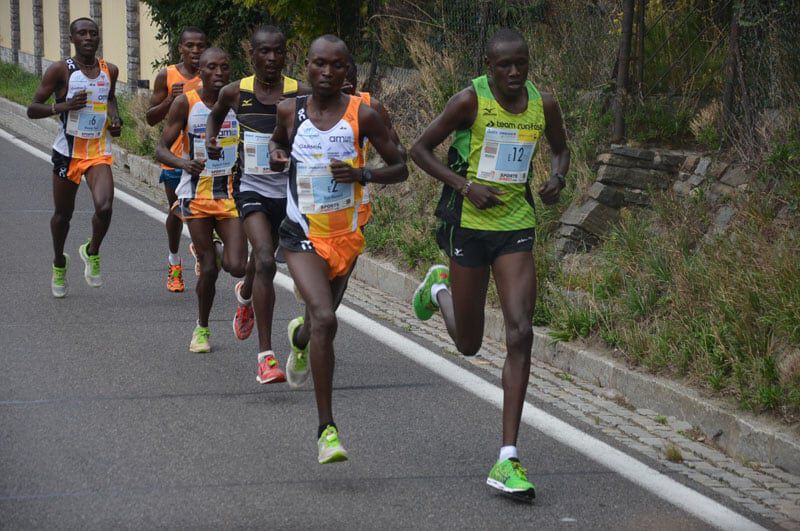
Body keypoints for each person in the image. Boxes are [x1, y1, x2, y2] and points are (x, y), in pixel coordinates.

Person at [410, 28, 570, 501]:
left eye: (522, 63)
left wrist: (558, 177)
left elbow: (561, 149)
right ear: (489, 66)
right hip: (469, 226)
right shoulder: (469, 101)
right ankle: (438, 289)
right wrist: (465, 187)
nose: (515, 72)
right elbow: (419, 150)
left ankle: (508, 457)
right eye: (505, 65)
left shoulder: (544, 104)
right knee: (468, 344)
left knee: (521, 332)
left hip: (516, 226)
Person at [269, 35, 407, 464]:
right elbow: (277, 142)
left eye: (336, 65)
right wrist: (277, 155)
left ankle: (299, 338)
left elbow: (400, 167)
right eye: (319, 64)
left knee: (318, 323)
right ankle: (326, 429)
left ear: (348, 71)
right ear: (307, 66)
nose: (326, 72)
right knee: (326, 318)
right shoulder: (290, 110)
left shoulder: (363, 115)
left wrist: (362, 174)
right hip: (301, 233)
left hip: (345, 235)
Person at [207, 26, 309, 384]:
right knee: (264, 258)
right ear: (251, 55)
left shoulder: (301, 93)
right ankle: (266, 357)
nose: (271, 58)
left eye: (278, 51)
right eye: (264, 51)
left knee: (262, 261)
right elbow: (215, 115)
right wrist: (211, 140)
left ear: (286, 54)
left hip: (291, 192)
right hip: (251, 188)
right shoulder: (236, 92)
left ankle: (246, 294)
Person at [288, 55, 407, 355]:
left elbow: (398, 153)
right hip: (309, 218)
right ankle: (314, 313)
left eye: (348, 79)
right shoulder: (304, 108)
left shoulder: (369, 108)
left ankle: (303, 336)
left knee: (332, 301)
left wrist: (363, 169)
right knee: (322, 309)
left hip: (353, 211)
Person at [156, 47, 247, 353]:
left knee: (237, 266)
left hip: (229, 194)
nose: (219, 73)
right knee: (208, 268)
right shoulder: (186, 102)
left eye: (224, 67)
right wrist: (184, 163)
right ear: (201, 72)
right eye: (211, 67)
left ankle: (219, 252)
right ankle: (202, 329)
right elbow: (161, 149)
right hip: (195, 195)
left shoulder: (239, 103)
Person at [27, 17, 122, 298]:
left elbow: (110, 98)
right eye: (82, 33)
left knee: (105, 207)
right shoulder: (60, 70)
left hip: (97, 151)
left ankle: (91, 251)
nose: (88, 38)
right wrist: (64, 106)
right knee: (63, 216)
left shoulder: (110, 69)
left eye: (93, 33)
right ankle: (59, 262)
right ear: (72, 39)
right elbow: (32, 108)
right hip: (67, 153)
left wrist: (116, 119)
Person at [146, 27, 208, 293]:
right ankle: (174, 262)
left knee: (205, 210)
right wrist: (170, 100)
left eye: (200, 46)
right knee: (176, 211)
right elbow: (150, 118)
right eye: (190, 46)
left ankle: (202, 251)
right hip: (174, 158)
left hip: (204, 160)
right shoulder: (167, 75)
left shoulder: (212, 75)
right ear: (180, 48)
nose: (195, 51)